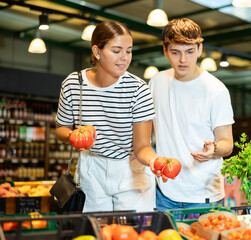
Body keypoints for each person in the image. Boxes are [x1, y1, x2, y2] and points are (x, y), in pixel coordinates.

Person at [55, 21, 161, 212]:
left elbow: (143, 145)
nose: (124, 58)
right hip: (91, 168)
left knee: (131, 232)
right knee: (96, 230)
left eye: (128, 51)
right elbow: (61, 128)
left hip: (131, 169)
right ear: (97, 51)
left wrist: (154, 161)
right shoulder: (73, 84)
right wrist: (73, 136)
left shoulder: (138, 90)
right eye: (117, 51)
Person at [149, 18, 234, 211]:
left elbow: (227, 143)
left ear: (200, 49)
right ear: (165, 51)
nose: (183, 60)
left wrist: (213, 149)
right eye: (175, 52)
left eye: (189, 52)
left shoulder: (216, 90)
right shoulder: (156, 82)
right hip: (164, 192)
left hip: (204, 195)